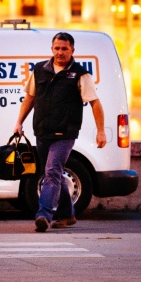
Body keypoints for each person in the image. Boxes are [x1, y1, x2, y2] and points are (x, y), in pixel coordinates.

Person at [14, 31, 106, 232]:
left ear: (72, 50)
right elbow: (30, 98)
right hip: (42, 132)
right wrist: (19, 122)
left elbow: (95, 103)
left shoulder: (80, 74)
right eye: (57, 48)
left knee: (52, 171)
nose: (60, 52)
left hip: (65, 133)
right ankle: (67, 214)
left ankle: (44, 215)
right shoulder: (40, 70)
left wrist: (101, 131)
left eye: (64, 48)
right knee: (52, 173)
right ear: (52, 49)